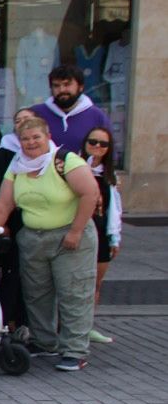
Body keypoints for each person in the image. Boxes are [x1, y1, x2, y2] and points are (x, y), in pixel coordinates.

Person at [0, 115, 100, 371]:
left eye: (36, 137)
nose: (31, 143)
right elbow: (4, 203)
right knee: (37, 294)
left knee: (74, 294)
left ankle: (75, 350)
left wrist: (76, 231)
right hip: (33, 238)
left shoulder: (66, 161)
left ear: (47, 137)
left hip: (69, 236)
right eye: (25, 138)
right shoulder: (17, 164)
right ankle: (44, 342)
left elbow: (90, 193)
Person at [83, 125, 122, 343]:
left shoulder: (110, 174)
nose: (97, 147)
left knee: (95, 284)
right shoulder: (76, 167)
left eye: (103, 144)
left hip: (102, 232)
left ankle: (88, 326)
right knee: (75, 283)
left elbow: (115, 208)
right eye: (93, 142)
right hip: (81, 229)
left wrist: (115, 236)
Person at [32, 64, 112, 158]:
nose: (61, 90)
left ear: (80, 87)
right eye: (56, 86)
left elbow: (108, 155)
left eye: (67, 85)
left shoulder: (97, 117)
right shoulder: (36, 114)